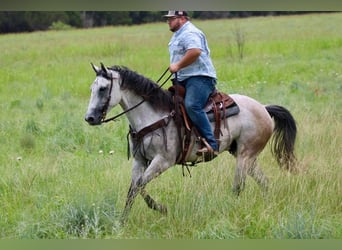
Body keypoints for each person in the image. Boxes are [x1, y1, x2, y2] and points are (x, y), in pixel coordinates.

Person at [164, 10, 218, 160]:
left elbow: (195, 52)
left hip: (200, 77)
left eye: (171, 19)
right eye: (167, 19)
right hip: (184, 78)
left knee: (192, 105)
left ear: (181, 18)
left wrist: (178, 66)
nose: (168, 21)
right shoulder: (178, 34)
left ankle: (212, 145)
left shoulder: (190, 32)